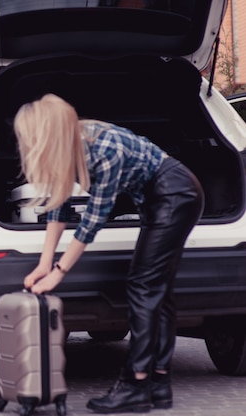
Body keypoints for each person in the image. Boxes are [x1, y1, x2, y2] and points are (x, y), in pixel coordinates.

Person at [14, 94, 204, 413]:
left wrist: (58, 274)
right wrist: (43, 265)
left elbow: (92, 220)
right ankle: (158, 384)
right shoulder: (68, 147)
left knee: (143, 287)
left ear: (46, 132)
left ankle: (135, 385)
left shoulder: (103, 149)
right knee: (158, 291)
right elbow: (57, 208)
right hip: (158, 199)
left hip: (176, 194)